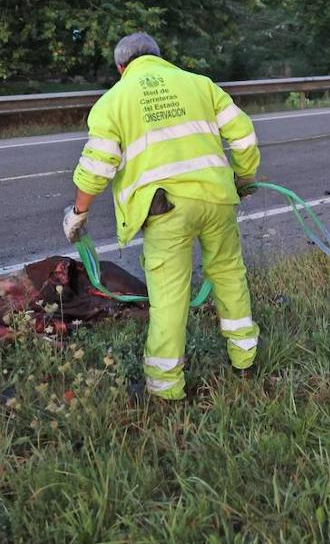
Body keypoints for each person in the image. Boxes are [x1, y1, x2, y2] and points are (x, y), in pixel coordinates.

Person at [62, 32, 262, 402]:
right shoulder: (200, 85)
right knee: (229, 274)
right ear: (159, 56)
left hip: (164, 209)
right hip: (217, 198)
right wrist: (244, 177)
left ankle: (167, 389)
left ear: (121, 67)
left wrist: (79, 212)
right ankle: (244, 361)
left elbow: (96, 167)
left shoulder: (113, 101)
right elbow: (244, 136)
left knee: (169, 296)